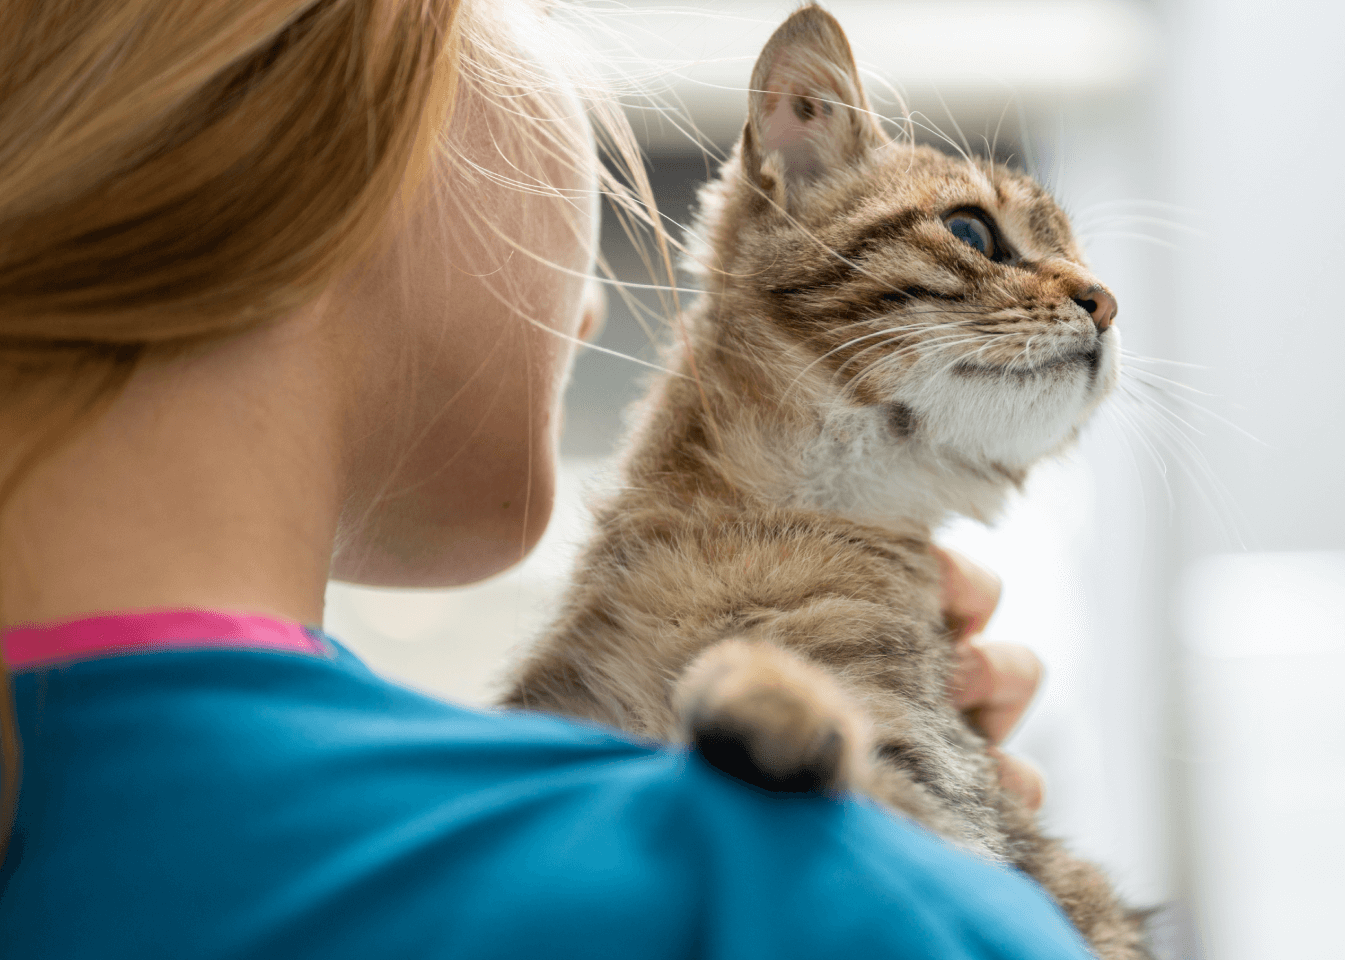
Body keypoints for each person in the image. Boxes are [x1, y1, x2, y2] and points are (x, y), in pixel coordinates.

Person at [0, 0, 1079, 956]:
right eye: (541, 14)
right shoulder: (808, 903)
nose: (597, 300)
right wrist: (905, 879)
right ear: (360, 49)